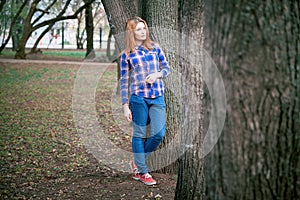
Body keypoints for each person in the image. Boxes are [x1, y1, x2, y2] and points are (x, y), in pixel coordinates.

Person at [119, 17, 171, 186]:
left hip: (157, 96)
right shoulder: (127, 54)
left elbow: (167, 68)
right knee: (139, 135)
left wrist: (158, 74)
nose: (142, 32)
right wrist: (125, 105)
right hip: (138, 98)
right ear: (131, 32)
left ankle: (137, 162)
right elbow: (124, 81)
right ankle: (142, 171)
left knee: (158, 134)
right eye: (138, 29)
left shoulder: (155, 48)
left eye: (144, 28)